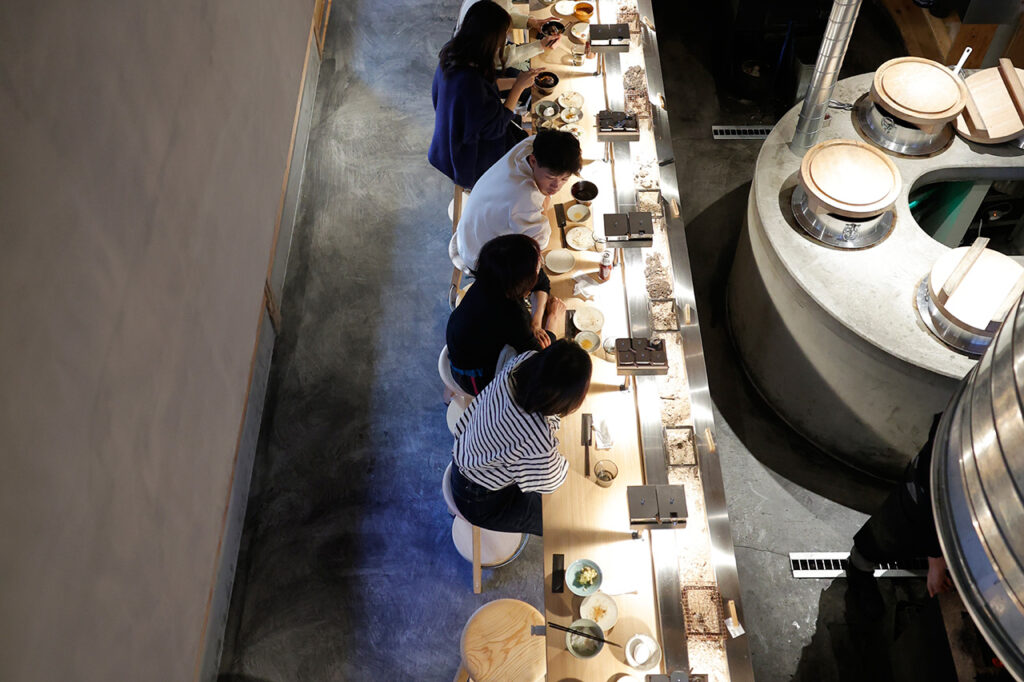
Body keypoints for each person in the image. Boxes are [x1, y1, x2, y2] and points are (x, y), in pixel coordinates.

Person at [449, 340, 592, 536]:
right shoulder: (535, 435)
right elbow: (553, 480)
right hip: (478, 501)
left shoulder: (523, 362)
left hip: (468, 458)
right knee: (561, 520)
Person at [449, 128, 582, 337]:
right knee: (544, 274)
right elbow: (538, 245)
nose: (557, 186)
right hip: (480, 257)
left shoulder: (530, 144)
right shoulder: (524, 197)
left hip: (473, 229)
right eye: (550, 178)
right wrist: (543, 207)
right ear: (533, 161)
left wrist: (544, 201)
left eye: (565, 179)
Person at [845, 413, 954, 618]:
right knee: (892, 529)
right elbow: (935, 481)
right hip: (928, 486)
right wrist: (936, 559)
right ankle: (859, 566)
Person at [428, 2, 540, 189]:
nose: (505, 42)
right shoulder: (469, 83)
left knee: (521, 136)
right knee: (526, 156)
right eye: (504, 37)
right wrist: (518, 88)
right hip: (468, 158)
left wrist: (517, 82)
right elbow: (495, 126)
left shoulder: (454, 51)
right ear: (489, 40)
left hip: (447, 137)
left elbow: (484, 87)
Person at [446, 235, 566, 395]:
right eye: (537, 265)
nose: (539, 267)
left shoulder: (493, 276)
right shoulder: (511, 312)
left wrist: (536, 323)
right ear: (521, 284)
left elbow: (541, 280)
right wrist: (553, 319)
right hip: (473, 377)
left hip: (462, 344)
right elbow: (537, 358)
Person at [455, 0, 561, 72]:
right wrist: (540, 46)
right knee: (531, 85)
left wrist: (531, 22)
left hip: (492, 46)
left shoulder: (491, 10)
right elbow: (498, 58)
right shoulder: (482, 12)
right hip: (480, 66)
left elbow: (506, 12)